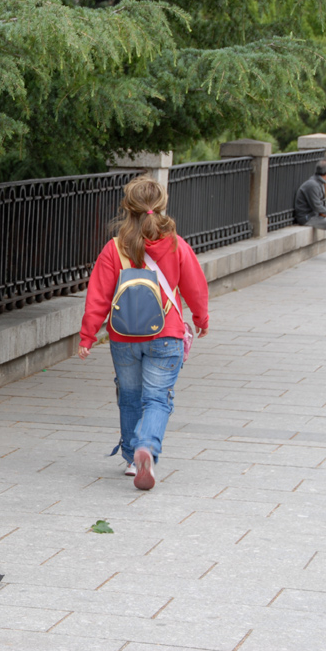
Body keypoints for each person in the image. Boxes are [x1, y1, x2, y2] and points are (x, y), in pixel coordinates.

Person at [77, 176, 209, 491]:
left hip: (123, 338)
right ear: (161, 206)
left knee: (130, 397)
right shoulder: (177, 245)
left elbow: (98, 296)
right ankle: (146, 446)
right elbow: (194, 286)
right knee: (157, 399)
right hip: (166, 333)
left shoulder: (115, 248)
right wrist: (201, 318)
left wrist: (87, 337)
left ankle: (129, 459)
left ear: (128, 208)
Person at [294, 159, 326, 261]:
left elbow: (324, 204)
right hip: (307, 217)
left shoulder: (319, 183)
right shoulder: (312, 185)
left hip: (315, 215)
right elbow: (318, 207)